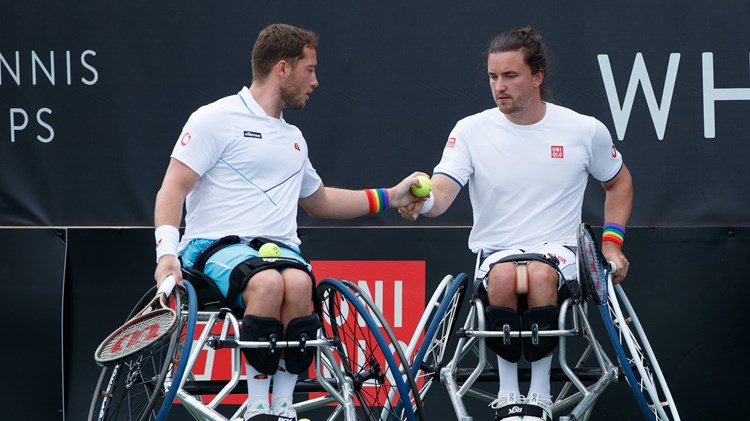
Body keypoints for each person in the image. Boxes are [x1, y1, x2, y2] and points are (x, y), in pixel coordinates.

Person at [153, 23, 424, 421]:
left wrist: (391, 196)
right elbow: (172, 188)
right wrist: (166, 254)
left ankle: (283, 407)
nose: (315, 81)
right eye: (309, 70)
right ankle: (257, 407)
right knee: (268, 282)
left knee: (298, 283)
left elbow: (321, 200)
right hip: (213, 248)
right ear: (282, 68)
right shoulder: (214, 118)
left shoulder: (294, 138)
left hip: (281, 252)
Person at [400, 27, 633, 421]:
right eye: (493, 77)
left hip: (558, 253)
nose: (499, 87)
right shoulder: (471, 130)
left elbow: (618, 180)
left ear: (537, 76)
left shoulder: (583, 129)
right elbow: (442, 190)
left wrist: (612, 243)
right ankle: (510, 398)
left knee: (539, 276)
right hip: (496, 255)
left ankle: (538, 396)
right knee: (506, 278)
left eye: (510, 76)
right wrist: (422, 203)